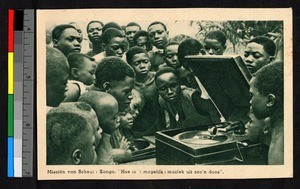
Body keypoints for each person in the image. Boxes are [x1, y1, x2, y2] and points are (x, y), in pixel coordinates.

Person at [155, 67, 221, 129]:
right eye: (163, 89)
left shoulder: (193, 97)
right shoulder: (162, 101)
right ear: (158, 91)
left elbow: (214, 113)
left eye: (173, 86)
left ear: (179, 85)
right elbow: (172, 122)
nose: (169, 92)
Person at [126, 46, 165, 137]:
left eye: (145, 62)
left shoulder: (158, 79)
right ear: (130, 66)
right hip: (135, 131)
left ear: (150, 63)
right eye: (137, 63)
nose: (142, 66)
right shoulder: (128, 84)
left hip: (159, 128)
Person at [249, 62, 283, 165]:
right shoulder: (274, 123)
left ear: (270, 100)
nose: (250, 101)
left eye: (252, 95)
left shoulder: (283, 141)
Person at [79, 91, 123, 164]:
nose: (118, 119)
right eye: (114, 118)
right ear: (97, 120)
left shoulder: (105, 136)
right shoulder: (96, 142)